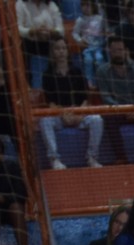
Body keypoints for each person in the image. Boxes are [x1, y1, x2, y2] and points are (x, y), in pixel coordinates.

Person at [37, 39, 103, 170]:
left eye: (63, 48)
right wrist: (62, 115)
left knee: (97, 120)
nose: (61, 52)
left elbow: (85, 98)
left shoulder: (77, 72)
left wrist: (79, 113)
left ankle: (92, 157)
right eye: (57, 49)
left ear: (67, 51)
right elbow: (50, 101)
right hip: (59, 115)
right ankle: (54, 159)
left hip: (78, 114)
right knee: (45, 121)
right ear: (52, 52)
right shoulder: (47, 74)